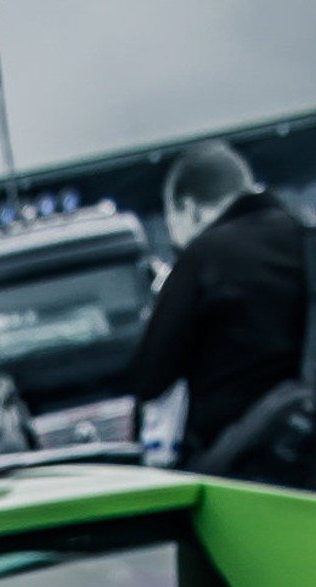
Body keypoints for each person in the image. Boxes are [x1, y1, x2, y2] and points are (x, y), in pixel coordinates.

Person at [132, 142, 309, 470]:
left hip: (249, 467)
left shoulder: (203, 257)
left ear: (189, 208)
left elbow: (149, 377)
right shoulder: (306, 239)